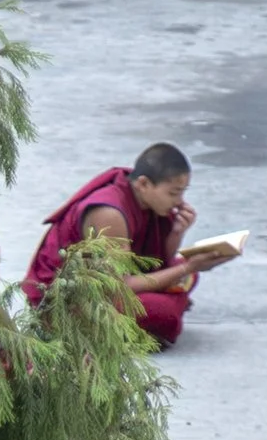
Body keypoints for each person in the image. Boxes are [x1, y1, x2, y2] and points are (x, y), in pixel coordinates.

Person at [22, 142, 237, 347]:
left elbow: (157, 261)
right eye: (173, 193)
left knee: (184, 273)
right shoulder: (109, 213)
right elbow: (120, 287)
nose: (179, 201)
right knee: (164, 312)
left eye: (182, 192)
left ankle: (165, 303)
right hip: (70, 303)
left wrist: (177, 233)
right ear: (143, 184)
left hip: (114, 286)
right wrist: (188, 268)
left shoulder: (143, 199)